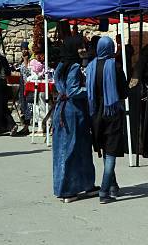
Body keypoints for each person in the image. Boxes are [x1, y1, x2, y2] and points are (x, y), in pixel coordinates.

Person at [52, 37, 97, 203]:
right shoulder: (75, 67)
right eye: (79, 48)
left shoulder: (60, 66)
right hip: (73, 111)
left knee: (76, 149)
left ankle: (85, 185)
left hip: (62, 110)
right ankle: (67, 190)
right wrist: (91, 90)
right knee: (71, 149)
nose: (82, 50)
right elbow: (73, 91)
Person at [86, 36, 129, 204]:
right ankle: (104, 190)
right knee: (111, 152)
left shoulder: (90, 67)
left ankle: (113, 185)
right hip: (112, 113)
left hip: (95, 113)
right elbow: (124, 93)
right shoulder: (116, 67)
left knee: (105, 149)